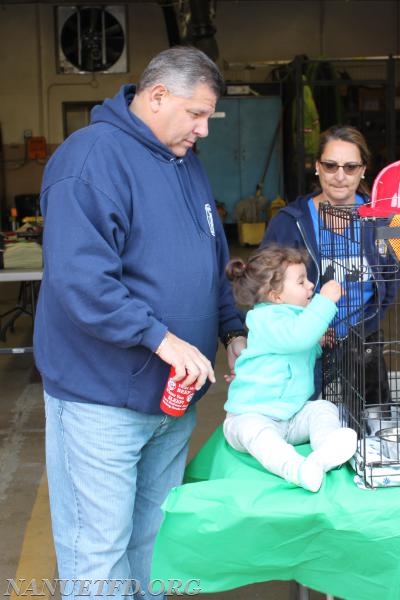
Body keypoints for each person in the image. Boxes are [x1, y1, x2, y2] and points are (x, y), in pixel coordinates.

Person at [34, 46, 247, 599]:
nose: (203, 129)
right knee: (98, 554)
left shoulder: (183, 161)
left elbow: (209, 256)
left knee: (153, 544)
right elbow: (80, 279)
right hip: (101, 401)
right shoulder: (90, 161)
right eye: (196, 114)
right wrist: (159, 337)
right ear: (156, 96)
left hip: (171, 402)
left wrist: (232, 329)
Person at [261, 124, 400, 403]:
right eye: (330, 165)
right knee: (301, 421)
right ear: (317, 167)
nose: (339, 176)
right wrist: (308, 324)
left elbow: (390, 279)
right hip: (305, 346)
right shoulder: (290, 223)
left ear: (363, 170)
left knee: (367, 425)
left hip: (362, 341)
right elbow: (266, 288)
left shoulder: (381, 220)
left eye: (350, 167)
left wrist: (367, 324)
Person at [223, 245, 358, 493]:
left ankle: (327, 450)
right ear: (275, 296)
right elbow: (296, 338)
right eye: (301, 281)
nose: (310, 285)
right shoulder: (265, 319)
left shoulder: (295, 320)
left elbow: (298, 346)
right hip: (251, 415)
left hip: (290, 417)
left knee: (323, 408)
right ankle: (296, 469)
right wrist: (325, 301)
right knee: (258, 434)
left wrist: (317, 343)